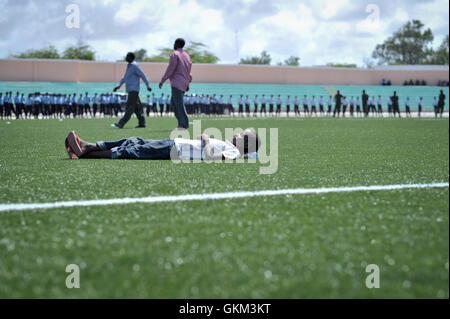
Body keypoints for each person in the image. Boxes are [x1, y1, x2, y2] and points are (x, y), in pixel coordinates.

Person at [65, 128, 261, 161]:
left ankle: (86, 151)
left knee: (135, 150)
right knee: (134, 140)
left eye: (242, 134)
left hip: (175, 150)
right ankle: (89, 145)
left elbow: (211, 157)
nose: (237, 133)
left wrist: (207, 140)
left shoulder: (234, 152)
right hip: (175, 143)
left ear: (245, 142)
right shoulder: (231, 146)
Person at [159, 38, 192, 130]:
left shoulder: (175, 54)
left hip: (177, 83)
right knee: (174, 103)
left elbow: (171, 68)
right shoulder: (187, 56)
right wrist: (188, 83)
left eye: (174, 43)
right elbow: (188, 71)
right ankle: (181, 123)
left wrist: (162, 80)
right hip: (184, 83)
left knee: (178, 104)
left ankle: (184, 124)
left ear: (177, 44)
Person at [113, 52, 152, 128]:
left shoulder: (134, 66)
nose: (126, 58)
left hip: (134, 90)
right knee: (137, 108)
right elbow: (124, 78)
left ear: (131, 57)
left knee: (129, 107)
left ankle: (121, 123)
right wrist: (118, 86)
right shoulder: (129, 66)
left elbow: (142, 75)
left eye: (127, 56)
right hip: (130, 90)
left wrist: (148, 85)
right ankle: (142, 123)